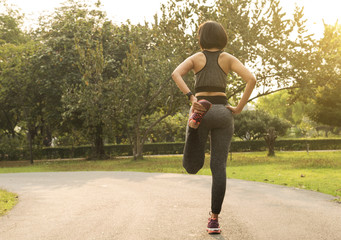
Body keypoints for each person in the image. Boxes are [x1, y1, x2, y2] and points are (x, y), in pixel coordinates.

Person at [171, 21, 256, 234]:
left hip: (201, 109)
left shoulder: (196, 58)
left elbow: (176, 74)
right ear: (222, 37)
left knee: (191, 165)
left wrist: (192, 97)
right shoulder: (228, 58)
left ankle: (193, 134)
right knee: (219, 167)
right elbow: (251, 79)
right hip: (222, 112)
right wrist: (238, 107)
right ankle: (214, 220)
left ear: (202, 38)